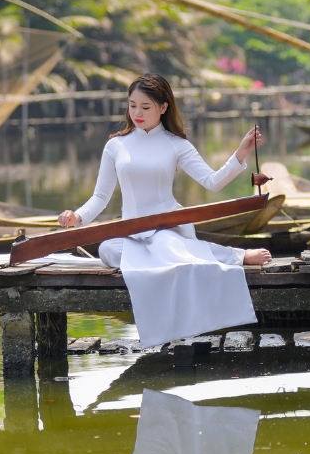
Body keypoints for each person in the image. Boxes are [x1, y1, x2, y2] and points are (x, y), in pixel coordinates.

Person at [58, 73, 271, 348]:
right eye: (133, 105)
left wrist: (241, 153)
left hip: (166, 227)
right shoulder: (116, 145)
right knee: (107, 250)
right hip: (131, 232)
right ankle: (175, 259)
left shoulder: (176, 144)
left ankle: (236, 256)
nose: (137, 113)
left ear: (163, 107)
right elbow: (101, 196)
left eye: (145, 107)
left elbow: (212, 182)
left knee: (163, 244)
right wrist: (77, 216)